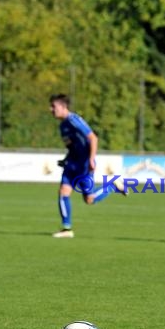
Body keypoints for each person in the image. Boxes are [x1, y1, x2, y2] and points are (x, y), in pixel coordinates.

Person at [50, 94, 126, 238]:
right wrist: (65, 159)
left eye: (54, 106)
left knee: (89, 199)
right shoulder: (63, 126)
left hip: (84, 164)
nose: (51, 109)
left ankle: (113, 185)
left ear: (63, 106)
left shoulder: (74, 120)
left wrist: (91, 159)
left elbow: (93, 138)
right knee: (63, 192)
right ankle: (67, 229)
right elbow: (72, 147)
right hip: (72, 163)